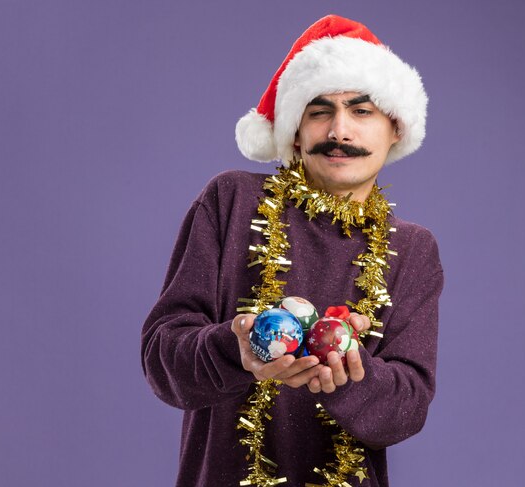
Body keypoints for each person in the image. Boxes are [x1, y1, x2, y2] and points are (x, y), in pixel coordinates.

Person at [142, 14, 444, 487]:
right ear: (295, 133)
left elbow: (407, 409)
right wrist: (235, 348)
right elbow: (164, 359)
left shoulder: (413, 249)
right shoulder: (232, 201)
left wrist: (347, 373)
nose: (340, 131)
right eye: (319, 110)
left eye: (362, 111)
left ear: (396, 128)